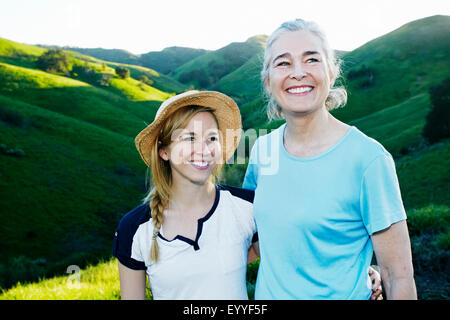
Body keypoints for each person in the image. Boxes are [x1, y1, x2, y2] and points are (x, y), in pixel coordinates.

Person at [112, 90, 382, 300]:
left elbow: (298, 247)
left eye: (212, 138)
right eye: (189, 138)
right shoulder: (134, 229)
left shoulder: (248, 207)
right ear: (164, 151)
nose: (203, 149)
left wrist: (359, 274)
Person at [243, 19, 417, 300]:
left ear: (332, 72)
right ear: (268, 81)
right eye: (283, 63)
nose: (298, 73)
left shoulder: (369, 160)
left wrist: (371, 273)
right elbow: (255, 242)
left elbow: (398, 275)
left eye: (311, 59)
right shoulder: (262, 151)